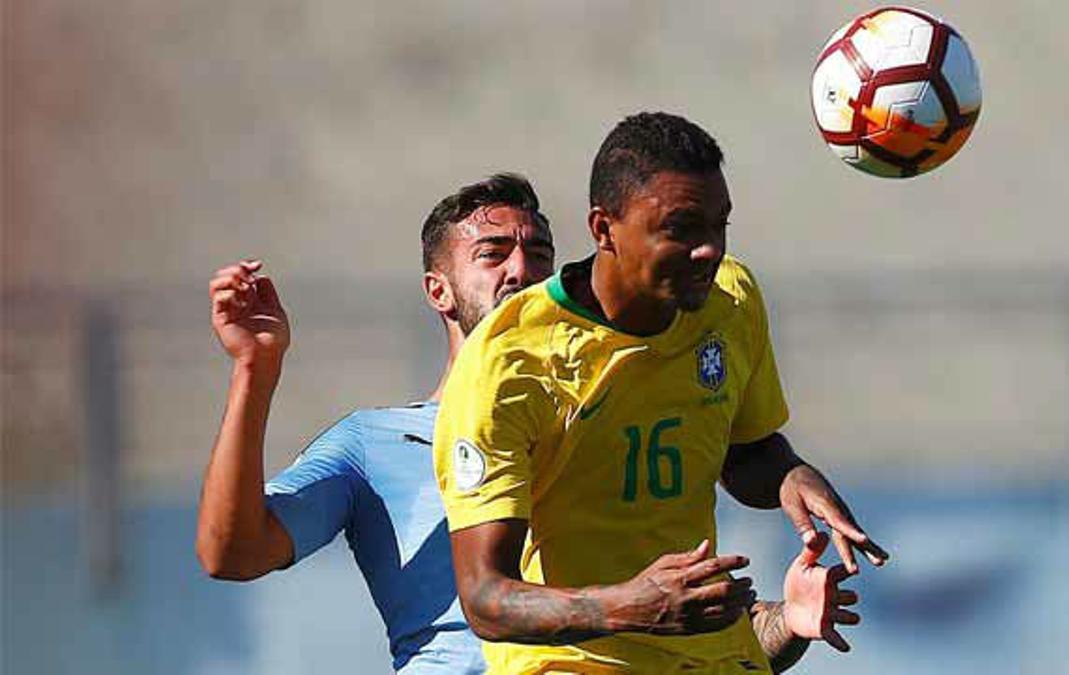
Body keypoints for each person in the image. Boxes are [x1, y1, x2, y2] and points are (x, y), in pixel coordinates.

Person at [198, 173, 881, 674]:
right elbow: (231, 553)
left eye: (538, 252)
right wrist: (255, 369)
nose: (521, 269)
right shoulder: (374, 446)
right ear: (438, 290)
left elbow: (665, 632)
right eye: (492, 253)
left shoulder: (609, 422)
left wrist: (786, 625)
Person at [433, 114, 887, 674]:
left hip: (711, 653)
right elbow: (485, 597)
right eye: (681, 229)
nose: (708, 250)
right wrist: (626, 606)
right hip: (576, 663)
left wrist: (788, 474)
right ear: (604, 229)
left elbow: (742, 451)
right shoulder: (509, 363)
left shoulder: (732, 302)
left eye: (719, 226)